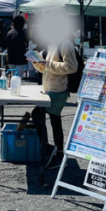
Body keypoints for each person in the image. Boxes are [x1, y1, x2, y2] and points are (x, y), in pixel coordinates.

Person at [30, 33, 78, 170]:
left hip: (58, 90)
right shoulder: (53, 42)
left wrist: (47, 63)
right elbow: (46, 67)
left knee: (39, 115)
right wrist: (36, 62)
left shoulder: (65, 43)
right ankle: (58, 152)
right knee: (54, 119)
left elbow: (71, 67)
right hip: (51, 88)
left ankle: (50, 149)